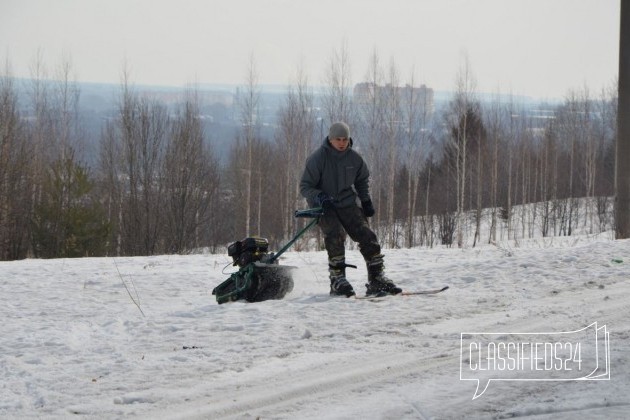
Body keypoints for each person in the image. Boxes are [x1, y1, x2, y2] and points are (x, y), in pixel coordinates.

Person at [300, 121, 402, 297]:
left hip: (347, 202)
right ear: (330, 140)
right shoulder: (318, 159)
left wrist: (366, 200)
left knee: (367, 235)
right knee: (335, 235)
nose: (341, 143)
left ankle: (377, 279)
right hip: (324, 206)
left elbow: (362, 180)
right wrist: (320, 197)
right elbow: (305, 186)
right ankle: (337, 280)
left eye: (345, 139)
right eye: (338, 139)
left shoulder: (354, 159)